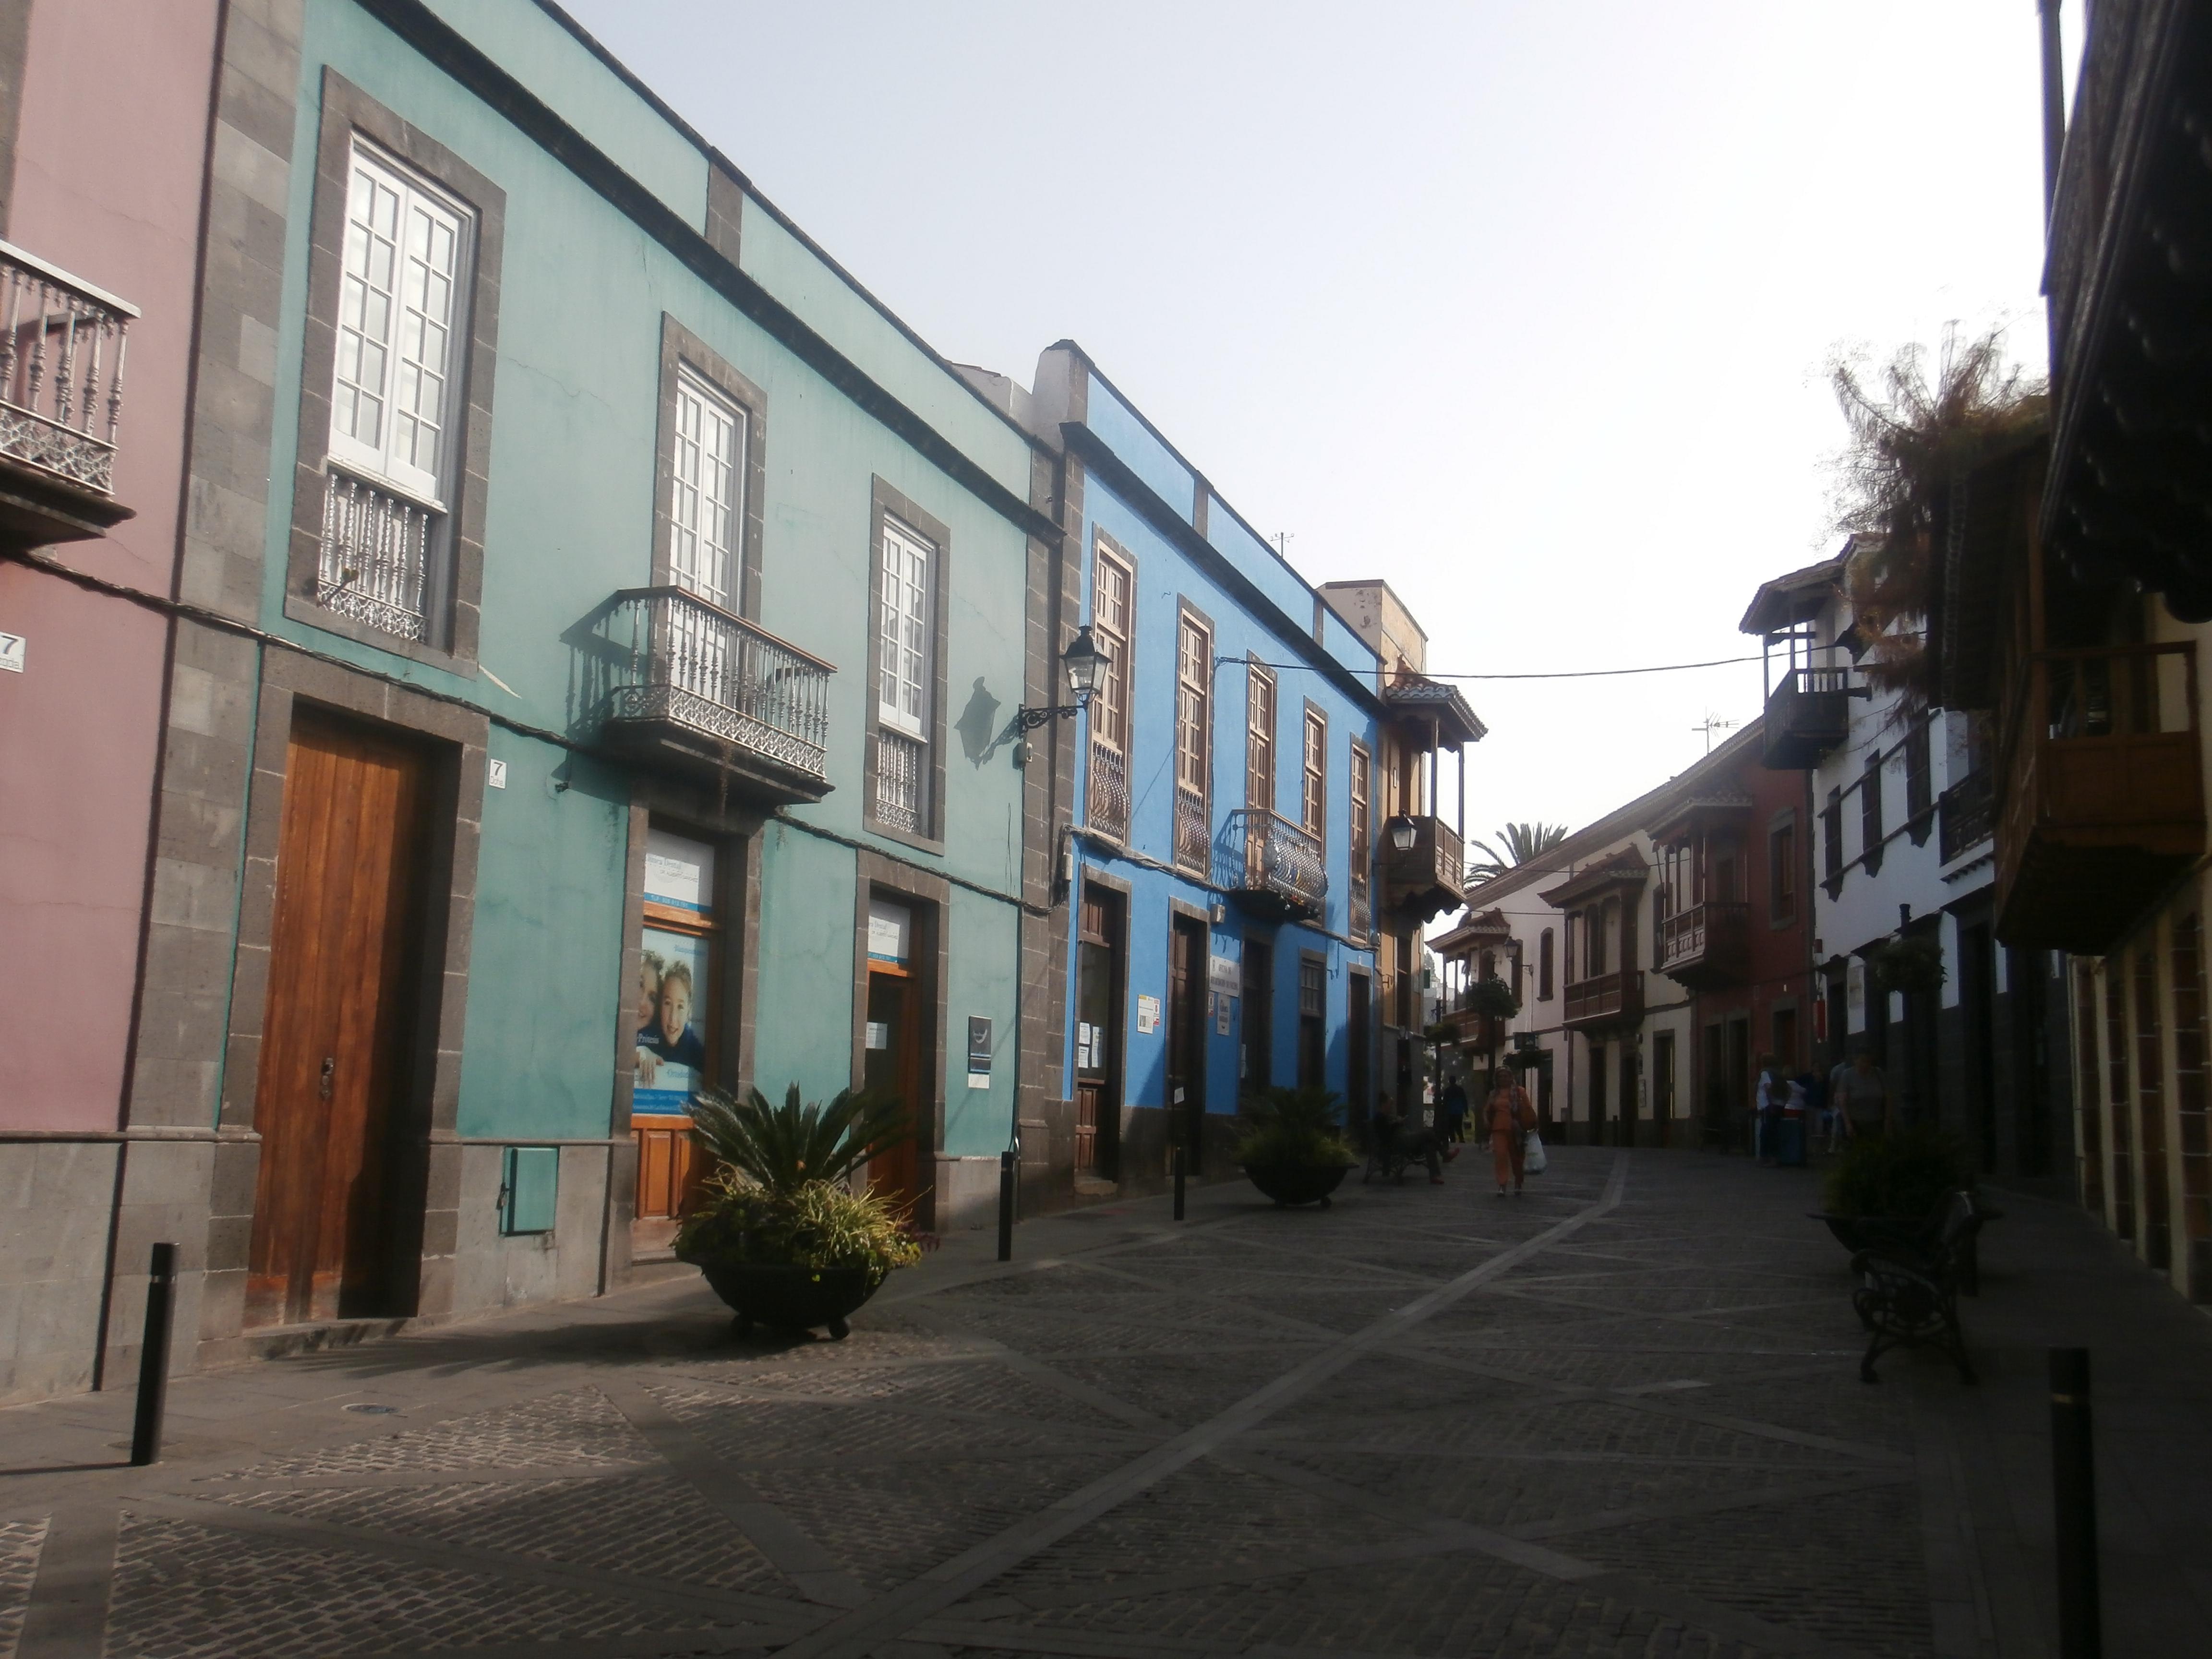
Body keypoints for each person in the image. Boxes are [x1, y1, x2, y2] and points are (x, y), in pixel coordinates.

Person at [1372, 1091, 1445, 1184]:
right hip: (1400, 1143)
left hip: (1404, 1140)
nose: (1391, 1107)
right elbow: (1386, 1136)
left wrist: (1397, 1122)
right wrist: (1397, 1123)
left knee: (1429, 1145)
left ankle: (1435, 1176)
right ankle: (1444, 1153)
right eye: (1389, 1104)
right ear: (1383, 1104)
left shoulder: (1387, 1116)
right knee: (1428, 1133)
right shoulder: (1380, 1118)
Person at [1485, 1074, 1538, 1196]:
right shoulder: (1494, 1094)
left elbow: (1528, 1107)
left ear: (1511, 1078)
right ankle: (1502, 1185)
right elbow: (1487, 1109)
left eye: (1506, 1077)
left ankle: (1518, 1182)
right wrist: (1486, 1120)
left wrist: (1533, 1120)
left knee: (1517, 1158)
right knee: (1501, 1156)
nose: (1504, 1079)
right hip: (1498, 1128)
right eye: (1501, 1077)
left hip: (1516, 1129)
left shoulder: (1519, 1092)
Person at [1833, 1048, 1892, 1141]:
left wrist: (1887, 1120)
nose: (1866, 1065)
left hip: (1876, 1121)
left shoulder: (1878, 1073)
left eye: (1868, 1061)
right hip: (1856, 1122)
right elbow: (1842, 1101)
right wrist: (1848, 1124)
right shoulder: (1847, 1075)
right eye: (1863, 1061)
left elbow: (1888, 1096)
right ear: (1855, 1061)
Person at [1754, 1056, 1784, 1165]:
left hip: (1768, 1106)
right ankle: (1775, 1157)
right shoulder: (1778, 1074)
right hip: (1779, 1104)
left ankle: (1766, 1157)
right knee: (1774, 1131)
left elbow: (1768, 1088)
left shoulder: (1765, 1073)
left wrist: (1770, 1103)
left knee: (1766, 1133)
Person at [1441, 1076, 1470, 1146]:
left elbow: (1445, 1102)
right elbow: (1464, 1101)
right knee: (1459, 1126)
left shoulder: (1448, 1091)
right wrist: (1466, 1111)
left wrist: (1443, 1112)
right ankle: (1461, 1139)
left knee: (1451, 1127)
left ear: (1450, 1081)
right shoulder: (1460, 1090)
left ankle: (1453, 1140)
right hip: (1459, 1111)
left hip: (1450, 1111)